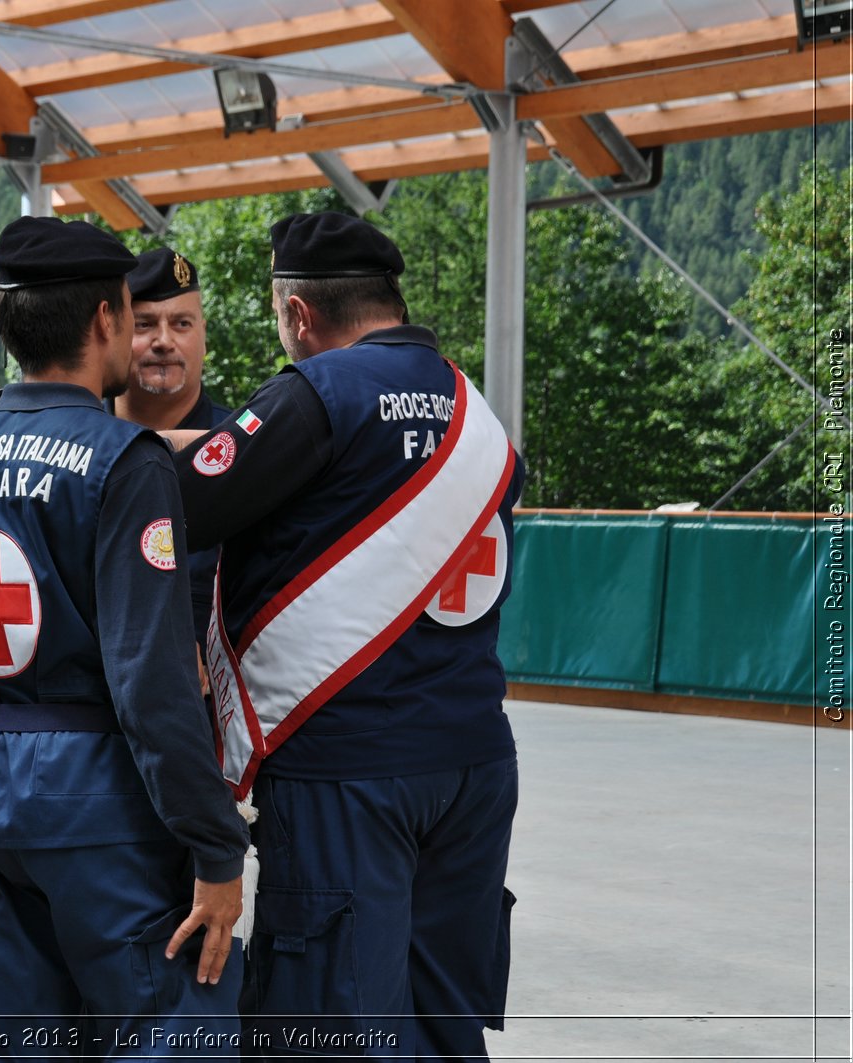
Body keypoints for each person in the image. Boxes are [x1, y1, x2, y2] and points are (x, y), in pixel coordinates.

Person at [169, 212, 524, 1061]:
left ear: (298, 316)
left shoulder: (317, 394)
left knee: (328, 1026)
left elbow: (185, 504)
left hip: (348, 766)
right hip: (474, 761)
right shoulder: (474, 410)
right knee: (444, 1020)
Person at [0, 216, 249, 1056]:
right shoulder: (124, 458)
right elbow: (152, 675)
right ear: (106, 319)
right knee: (166, 1026)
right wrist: (217, 845)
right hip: (101, 794)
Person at [111, 247, 229, 652]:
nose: (164, 341)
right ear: (112, 332)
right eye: (144, 324)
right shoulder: (76, 447)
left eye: (182, 323)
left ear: (204, 334)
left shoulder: (248, 444)